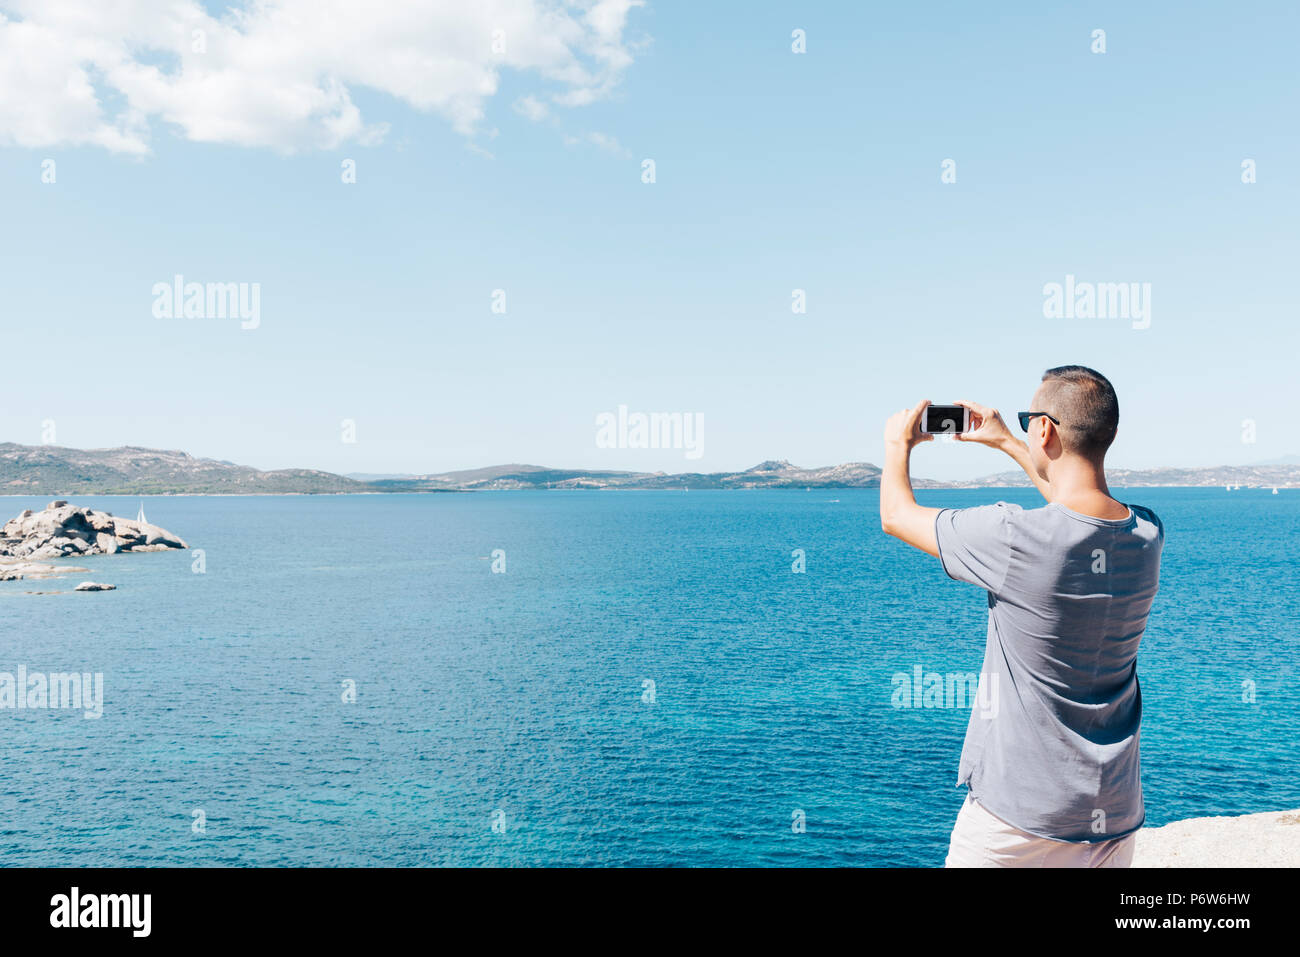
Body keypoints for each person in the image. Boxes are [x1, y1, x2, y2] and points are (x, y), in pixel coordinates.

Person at [879, 365, 1163, 867]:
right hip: (1113, 810)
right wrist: (1010, 441)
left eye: (1030, 418)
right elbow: (1078, 508)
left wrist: (898, 443)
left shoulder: (1013, 537)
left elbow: (896, 516)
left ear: (1046, 430)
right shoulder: (1146, 535)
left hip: (1018, 820)